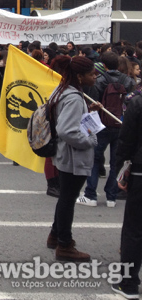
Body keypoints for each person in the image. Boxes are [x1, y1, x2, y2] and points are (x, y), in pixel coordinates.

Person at [46, 55, 99, 262]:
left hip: (65, 154)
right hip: (73, 156)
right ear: (79, 76)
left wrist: (89, 112)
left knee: (66, 198)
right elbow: (67, 130)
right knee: (68, 199)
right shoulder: (74, 97)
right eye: (91, 73)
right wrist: (90, 141)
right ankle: (65, 244)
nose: (95, 77)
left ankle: (55, 235)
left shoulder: (65, 90)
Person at [77, 51, 135, 208]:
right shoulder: (128, 81)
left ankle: (91, 195)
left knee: (95, 159)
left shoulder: (99, 81)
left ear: (103, 65)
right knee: (116, 162)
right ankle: (111, 196)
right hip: (121, 124)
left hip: (102, 124)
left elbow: (94, 103)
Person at [112, 85, 142, 299]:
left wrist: (121, 166)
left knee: (134, 228)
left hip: (141, 171)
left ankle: (129, 282)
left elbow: (126, 139)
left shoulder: (138, 102)